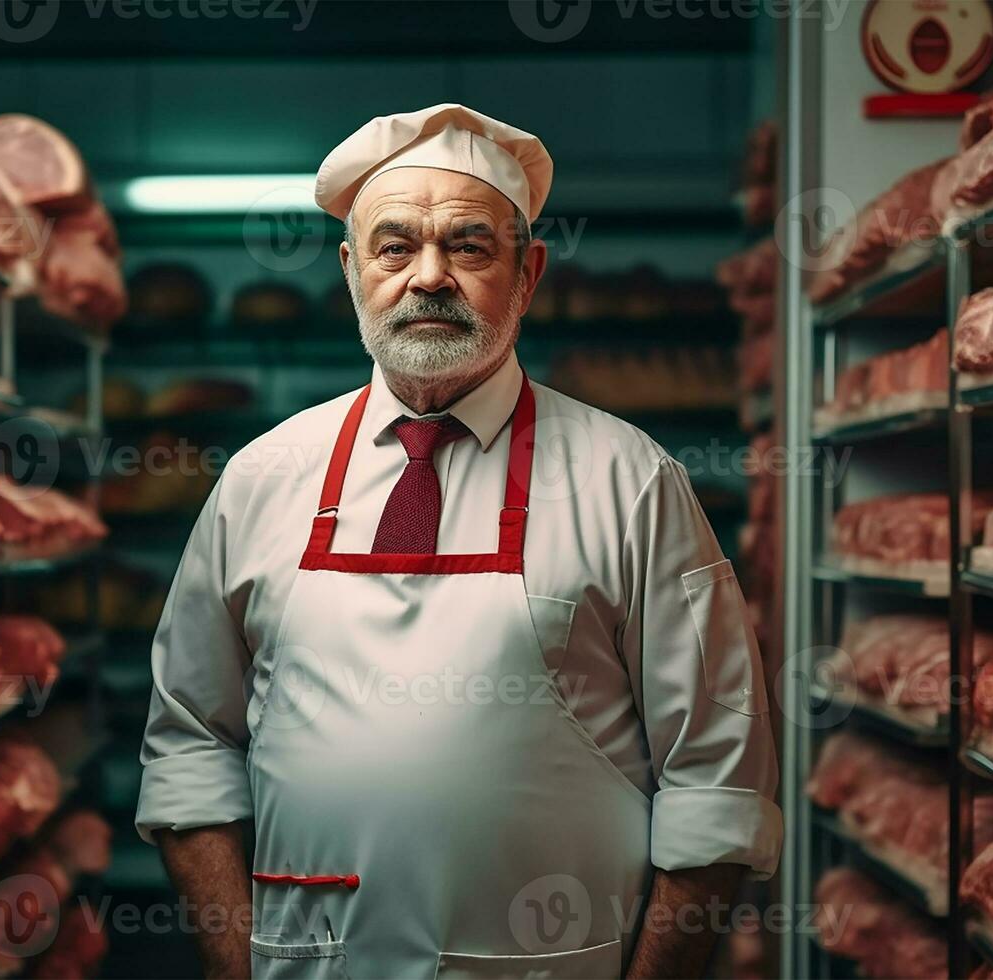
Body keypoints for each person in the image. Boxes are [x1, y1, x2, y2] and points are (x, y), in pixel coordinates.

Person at [136, 103, 781, 979]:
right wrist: (233, 960)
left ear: (529, 273)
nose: (429, 276)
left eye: (470, 246)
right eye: (394, 247)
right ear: (351, 271)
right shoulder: (260, 480)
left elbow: (716, 779)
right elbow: (187, 747)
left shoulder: (629, 481)